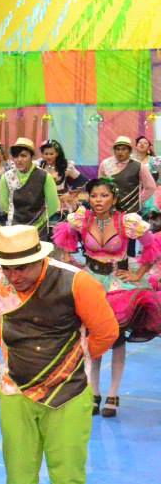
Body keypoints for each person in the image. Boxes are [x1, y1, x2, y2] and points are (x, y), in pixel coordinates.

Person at [0, 224, 119, 484]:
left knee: (68, 480)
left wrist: (70, 361)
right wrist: (21, 356)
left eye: (22, 268)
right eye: (8, 268)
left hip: (69, 395)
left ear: (40, 258)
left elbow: (106, 332)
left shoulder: (77, 282)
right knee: (18, 480)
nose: (14, 276)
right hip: (15, 394)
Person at [52, 178, 161, 419]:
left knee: (117, 337)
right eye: (94, 196)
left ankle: (113, 393)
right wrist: (71, 262)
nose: (98, 200)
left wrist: (138, 274)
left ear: (114, 198)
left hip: (118, 286)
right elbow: (63, 241)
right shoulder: (81, 219)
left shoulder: (128, 221)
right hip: (89, 282)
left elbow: (152, 246)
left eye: (104, 195)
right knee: (93, 336)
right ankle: (94, 392)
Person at [0, 137, 60, 240]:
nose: (19, 160)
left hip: (38, 229)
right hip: (14, 228)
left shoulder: (45, 177)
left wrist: (39, 220)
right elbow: (4, 205)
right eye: (16, 156)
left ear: (32, 156)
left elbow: (53, 206)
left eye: (23, 155)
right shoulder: (6, 177)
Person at [98, 135, 156, 221]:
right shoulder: (105, 164)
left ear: (130, 151)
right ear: (114, 150)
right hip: (109, 209)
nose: (120, 152)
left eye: (124, 149)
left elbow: (151, 187)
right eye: (117, 149)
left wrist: (138, 201)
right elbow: (100, 186)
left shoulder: (138, 165)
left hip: (130, 211)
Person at [37, 139, 85, 220]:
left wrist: (72, 195)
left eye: (51, 154)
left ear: (57, 153)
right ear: (42, 154)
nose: (48, 156)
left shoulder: (66, 166)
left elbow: (81, 180)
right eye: (46, 154)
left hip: (63, 205)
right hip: (44, 204)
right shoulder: (38, 166)